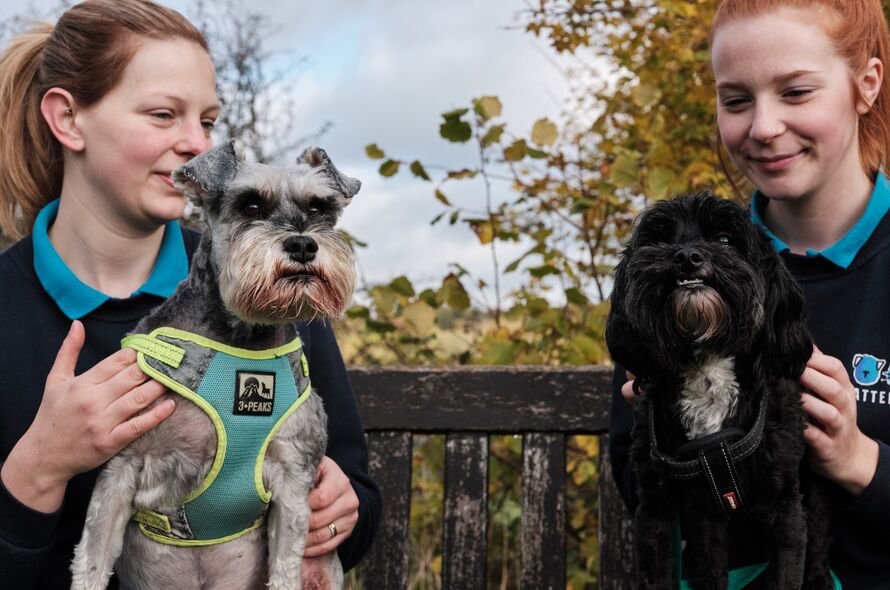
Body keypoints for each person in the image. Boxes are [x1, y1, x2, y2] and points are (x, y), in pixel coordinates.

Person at [0, 1, 380, 587]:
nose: (195, 145)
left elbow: (355, 495)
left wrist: (338, 511)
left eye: (206, 122)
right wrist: (38, 470)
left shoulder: (269, 295)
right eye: (162, 115)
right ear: (68, 119)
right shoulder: (7, 309)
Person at [609, 0, 890, 588]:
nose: (763, 127)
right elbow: (640, 491)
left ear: (866, 84)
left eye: (795, 93)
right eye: (736, 101)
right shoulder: (673, 278)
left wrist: (857, 458)